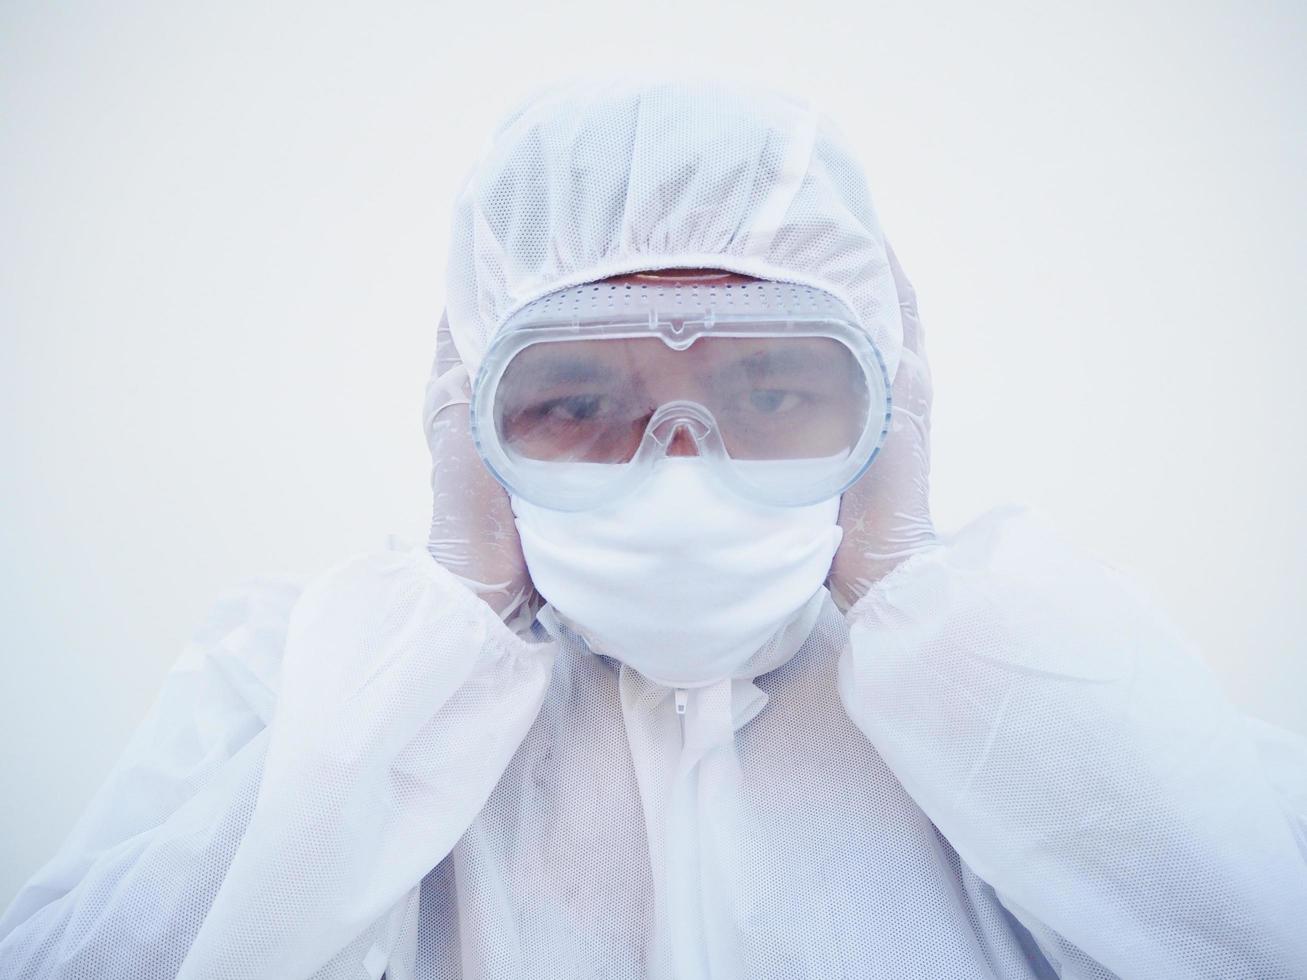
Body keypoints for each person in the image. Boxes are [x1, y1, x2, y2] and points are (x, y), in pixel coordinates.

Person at [2, 76, 1305, 980]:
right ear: (474, 418)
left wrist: (918, 593)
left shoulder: (1023, 691)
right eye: (578, 400)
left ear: (882, 408)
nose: (680, 467)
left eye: (770, 388)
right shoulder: (302, 683)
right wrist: (443, 638)